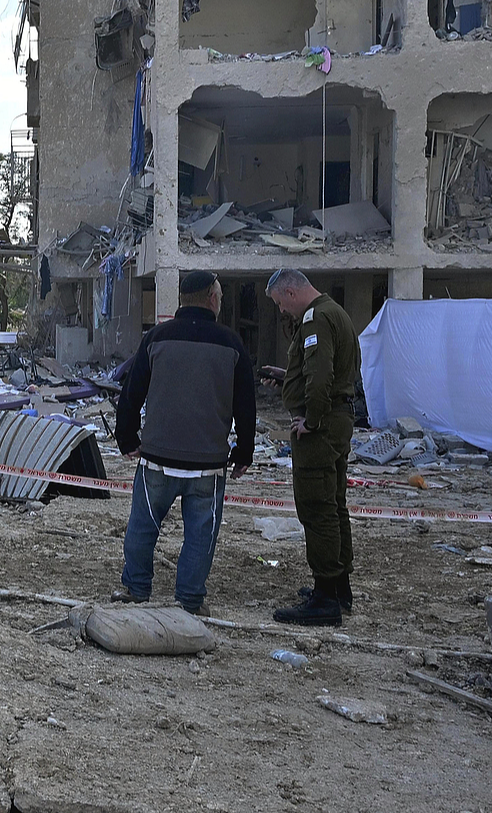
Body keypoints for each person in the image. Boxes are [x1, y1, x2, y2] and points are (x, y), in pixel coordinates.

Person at [110, 270, 255, 616]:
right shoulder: (231, 344)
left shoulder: (157, 338)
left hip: (158, 457)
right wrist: (243, 452)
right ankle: (189, 600)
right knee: (200, 535)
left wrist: (127, 439)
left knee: (143, 526)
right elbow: (245, 405)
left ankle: (136, 588)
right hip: (208, 463)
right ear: (212, 299)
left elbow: (131, 394)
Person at [261, 268, 362, 626]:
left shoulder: (315, 318)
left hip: (322, 429)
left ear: (289, 293)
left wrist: (312, 420)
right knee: (334, 506)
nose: (282, 313)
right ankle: (338, 589)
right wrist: (286, 377)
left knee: (317, 509)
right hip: (337, 422)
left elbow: (321, 377)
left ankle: (324, 599)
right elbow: (322, 370)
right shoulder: (335, 313)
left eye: (279, 304)